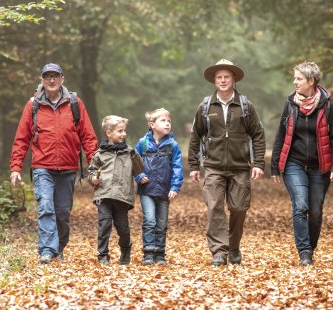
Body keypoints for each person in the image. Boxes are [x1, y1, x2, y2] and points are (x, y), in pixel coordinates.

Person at [10, 63, 98, 264]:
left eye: (55, 76)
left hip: (68, 168)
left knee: (62, 213)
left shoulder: (75, 103)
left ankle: (58, 247)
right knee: (46, 207)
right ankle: (47, 250)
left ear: (62, 79)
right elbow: (22, 139)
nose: (51, 80)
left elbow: (88, 137)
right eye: (47, 76)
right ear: (41, 80)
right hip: (42, 166)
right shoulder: (32, 105)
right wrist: (15, 167)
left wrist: (93, 166)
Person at [188, 59, 266, 266]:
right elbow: (195, 137)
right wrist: (194, 166)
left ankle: (233, 246)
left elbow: (258, 134)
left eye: (226, 77)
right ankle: (219, 252)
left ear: (233, 80)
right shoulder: (205, 106)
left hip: (240, 167)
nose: (223, 80)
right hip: (213, 167)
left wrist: (258, 163)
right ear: (214, 80)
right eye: (219, 77)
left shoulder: (245, 105)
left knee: (239, 208)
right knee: (214, 207)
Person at [271, 61, 333, 266]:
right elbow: (281, 135)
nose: (295, 82)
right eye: (294, 78)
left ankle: (310, 248)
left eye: (299, 79)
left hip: (320, 166)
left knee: (315, 211)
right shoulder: (290, 103)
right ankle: (304, 252)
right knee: (300, 206)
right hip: (294, 164)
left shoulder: (327, 104)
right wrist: (275, 165)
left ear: (311, 81)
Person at [88, 115, 144, 265]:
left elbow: (140, 169)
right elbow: (92, 170)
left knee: (123, 228)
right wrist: (93, 178)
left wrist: (135, 156)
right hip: (104, 194)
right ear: (108, 133)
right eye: (119, 131)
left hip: (122, 196)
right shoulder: (100, 153)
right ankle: (103, 255)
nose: (123, 134)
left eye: (124, 131)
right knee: (104, 224)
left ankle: (126, 250)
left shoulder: (129, 152)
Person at [135, 108, 184, 266]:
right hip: (146, 190)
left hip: (164, 191)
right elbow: (134, 163)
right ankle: (148, 252)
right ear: (152, 125)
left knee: (162, 224)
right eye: (163, 121)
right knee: (149, 221)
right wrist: (139, 176)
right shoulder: (142, 144)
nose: (167, 123)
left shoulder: (173, 145)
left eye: (169, 121)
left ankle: (160, 253)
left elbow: (177, 167)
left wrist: (175, 187)